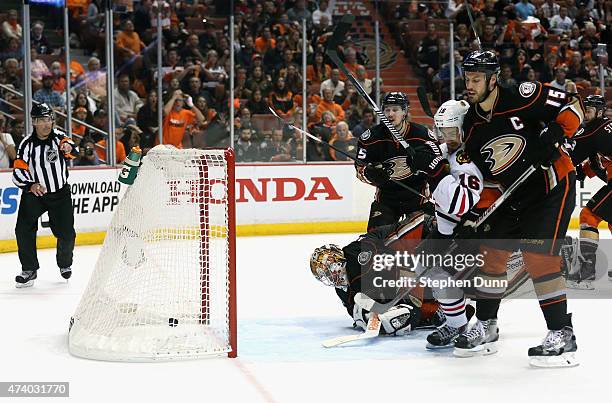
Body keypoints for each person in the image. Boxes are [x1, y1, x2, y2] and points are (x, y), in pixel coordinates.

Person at [459, 50, 583, 367]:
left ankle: (562, 333)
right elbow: (489, 180)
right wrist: (476, 214)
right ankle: (486, 326)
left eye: (476, 79)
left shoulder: (522, 96)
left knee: (538, 256)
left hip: (551, 186)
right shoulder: (471, 126)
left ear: (492, 79)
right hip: (514, 195)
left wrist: (558, 130)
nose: (469, 85)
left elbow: (575, 105)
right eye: (467, 78)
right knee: (491, 254)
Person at [310, 212, 447, 337]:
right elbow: (355, 310)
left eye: (330, 268)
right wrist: (365, 316)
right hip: (403, 276)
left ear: (338, 259)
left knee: (410, 304)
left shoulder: (354, 254)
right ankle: (435, 311)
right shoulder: (342, 290)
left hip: (413, 245)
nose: (331, 275)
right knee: (406, 317)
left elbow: (393, 261)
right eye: (324, 275)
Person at [354, 92, 446, 230]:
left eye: (395, 110)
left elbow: (438, 164)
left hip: (418, 195)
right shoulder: (370, 138)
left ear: (404, 112)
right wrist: (370, 174)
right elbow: (359, 169)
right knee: (375, 241)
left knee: (429, 240)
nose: (390, 114)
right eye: (387, 110)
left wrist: (425, 165)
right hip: (386, 198)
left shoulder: (422, 135)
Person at [12, 103, 78, 287]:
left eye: (48, 119)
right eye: (41, 120)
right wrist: (30, 185)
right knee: (23, 229)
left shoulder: (59, 138)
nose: (46, 124)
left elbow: (74, 149)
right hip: (36, 194)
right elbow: (18, 171)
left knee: (67, 233)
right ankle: (29, 269)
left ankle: (64, 264)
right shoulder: (26, 144)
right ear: (34, 122)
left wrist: (69, 149)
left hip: (60, 194)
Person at [567, 95, 612, 286]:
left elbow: (571, 154)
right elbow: (601, 162)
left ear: (599, 112)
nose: (585, 115)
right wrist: (584, 170)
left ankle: (586, 274)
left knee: (588, 216)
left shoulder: (593, 128)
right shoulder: (606, 127)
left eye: (589, 111)